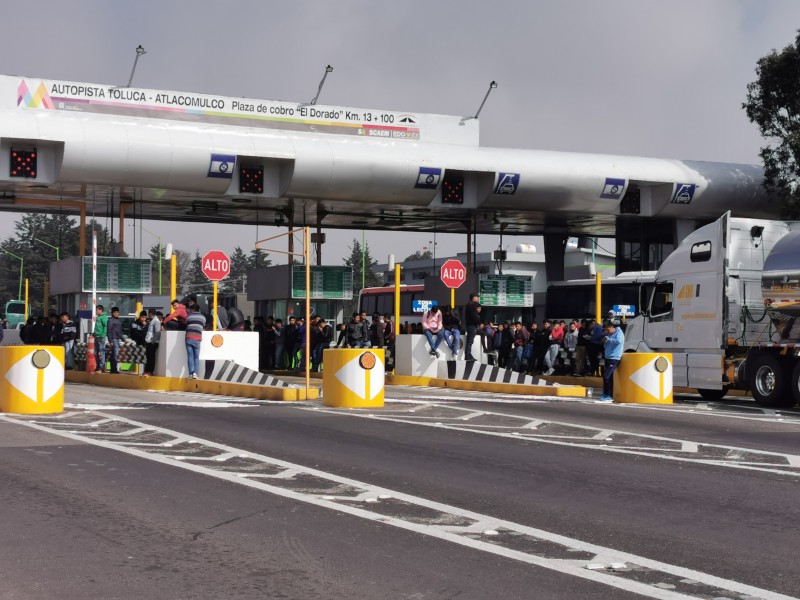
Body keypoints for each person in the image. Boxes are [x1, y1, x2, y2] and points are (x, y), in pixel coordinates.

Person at [600, 320, 624, 401]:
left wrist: (609, 339)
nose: (607, 331)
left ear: (612, 327)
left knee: (607, 376)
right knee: (608, 377)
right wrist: (605, 341)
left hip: (614, 358)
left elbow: (619, 341)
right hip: (608, 357)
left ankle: (609, 395)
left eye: (607, 329)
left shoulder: (619, 333)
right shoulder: (609, 334)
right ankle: (605, 394)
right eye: (605, 330)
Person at [184, 304, 206, 379]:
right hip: (197, 338)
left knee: (190, 356)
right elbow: (203, 325)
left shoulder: (189, 316)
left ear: (192, 309)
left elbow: (186, 323)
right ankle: (195, 373)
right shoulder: (203, 317)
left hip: (189, 337)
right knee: (196, 357)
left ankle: (190, 373)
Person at [143, 309, 161, 376]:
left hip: (152, 342)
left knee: (151, 357)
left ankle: (150, 371)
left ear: (150, 313)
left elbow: (157, 332)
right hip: (149, 341)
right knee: (148, 357)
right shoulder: (152, 321)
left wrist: (153, 341)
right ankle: (147, 370)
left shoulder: (156, 321)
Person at [464, 293, 481, 361]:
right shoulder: (472, 304)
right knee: (470, 341)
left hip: (470, 325)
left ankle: (469, 354)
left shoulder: (469, 304)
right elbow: (474, 316)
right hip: (471, 325)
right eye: (477, 297)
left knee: (470, 341)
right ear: (474, 298)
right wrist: (479, 322)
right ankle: (468, 355)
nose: (478, 299)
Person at [106, 307, 123, 374]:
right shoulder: (110, 320)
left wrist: (123, 339)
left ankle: (113, 369)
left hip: (117, 339)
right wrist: (110, 341)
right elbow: (109, 331)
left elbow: (119, 332)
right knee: (115, 354)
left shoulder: (119, 320)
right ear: (112, 313)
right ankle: (113, 369)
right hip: (113, 339)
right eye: (115, 312)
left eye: (117, 312)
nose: (116, 314)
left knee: (114, 354)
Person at [93, 305, 109, 373]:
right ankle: (97, 366)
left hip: (101, 337)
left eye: (97, 310)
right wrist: (94, 333)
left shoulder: (104, 317)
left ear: (100, 310)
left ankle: (101, 367)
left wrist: (103, 335)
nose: (96, 311)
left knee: (101, 352)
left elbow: (106, 326)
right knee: (96, 352)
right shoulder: (98, 318)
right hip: (96, 337)